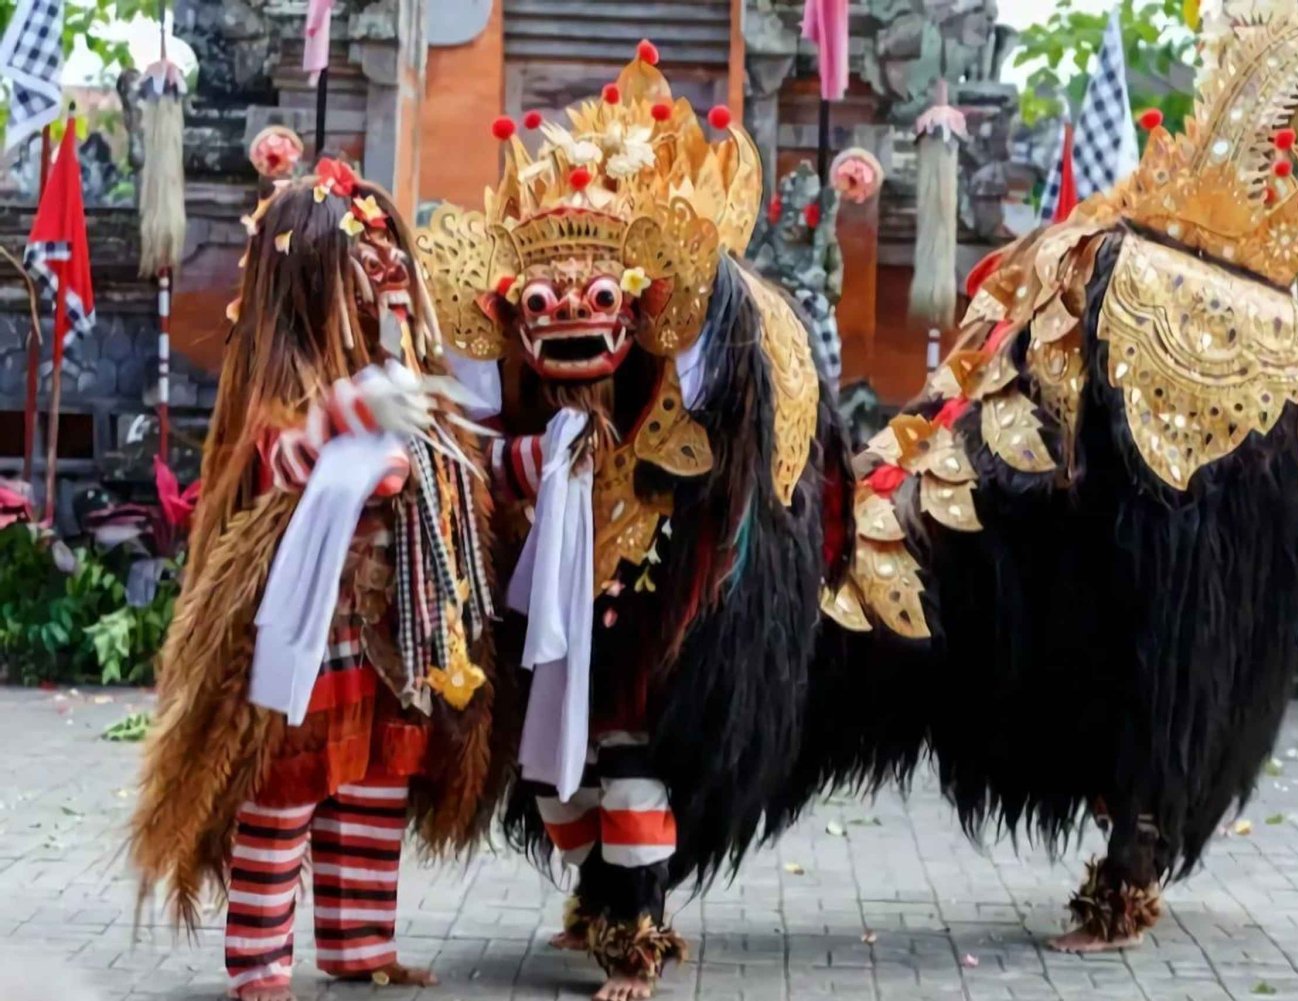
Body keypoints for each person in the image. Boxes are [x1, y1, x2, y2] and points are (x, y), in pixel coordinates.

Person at [782, 8, 1298, 954]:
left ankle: (1137, 849)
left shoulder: (1198, 316)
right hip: (1051, 455)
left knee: (1162, 600)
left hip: (1168, 467)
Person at [414, 40, 849, 1001]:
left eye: (600, 299)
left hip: (656, 560)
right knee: (555, 772)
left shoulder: (691, 401)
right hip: (554, 572)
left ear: (644, 309)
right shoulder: (515, 412)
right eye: (544, 301)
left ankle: (639, 931)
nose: (573, 318)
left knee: (633, 741)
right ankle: (603, 887)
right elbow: (478, 443)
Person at [128, 159, 511, 1000]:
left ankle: (358, 943)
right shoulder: (279, 402)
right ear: (306, 285)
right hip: (312, 630)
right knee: (287, 789)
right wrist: (353, 416)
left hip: (391, 633)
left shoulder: (412, 380)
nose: (382, 281)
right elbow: (287, 460)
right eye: (360, 266)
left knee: (375, 784)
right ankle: (262, 963)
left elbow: (448, 473)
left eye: (388, 264)